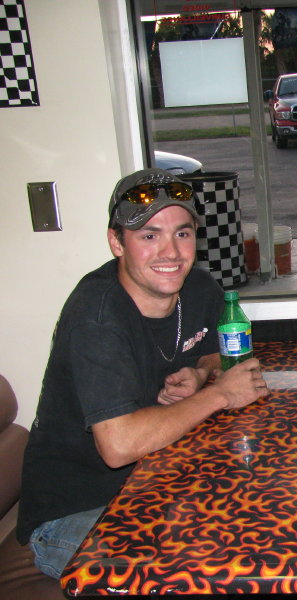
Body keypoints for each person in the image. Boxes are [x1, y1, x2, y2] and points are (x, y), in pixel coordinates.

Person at [17, 168, 268, 579]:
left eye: (182, 233)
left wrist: (199, 373)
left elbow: (212, 351)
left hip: (153, 485)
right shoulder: (96, 317)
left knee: (257, 527)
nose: (171, 252)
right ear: (117, 242)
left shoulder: (197, 286)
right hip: (78, 513)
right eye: (149, 236)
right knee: (199, 576)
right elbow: (119, 445)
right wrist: (219, 394)